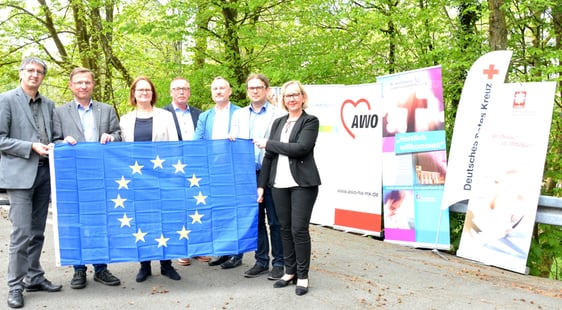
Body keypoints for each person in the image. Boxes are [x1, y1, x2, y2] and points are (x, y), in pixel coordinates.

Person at [0, 57, 63, 308]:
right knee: (21, 233)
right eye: (30, 70)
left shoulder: (49, 104)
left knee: (37, 231)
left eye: (39, 72)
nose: (35, 75)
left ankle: (34, 276)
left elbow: (55, 136)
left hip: (45, 174)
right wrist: (30, 147)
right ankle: (15, 286)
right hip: (19, 176)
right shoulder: (6, 100)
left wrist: (58, 143)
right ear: (21, 73)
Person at [52, 67, 122, 289]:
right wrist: (64, 141)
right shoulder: (59, 112)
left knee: (100, 221)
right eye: (79, 83)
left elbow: (120, 136)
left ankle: (101, 268)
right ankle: (78, 269)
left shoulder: (107, 109)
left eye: (87, 82)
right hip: (72, 177)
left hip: (101, 175)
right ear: (71, 86)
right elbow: (53, 140)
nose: (83, 86)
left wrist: (111, 136)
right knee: (76, 222)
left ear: (93, 85)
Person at [255, 80, 321, 296]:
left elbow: (301, 148)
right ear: (283, 100)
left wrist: (268, 143)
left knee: (298, 230)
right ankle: (289, 271)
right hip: (278, 185)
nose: (291, 99)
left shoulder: (310, 121)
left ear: (302, 97)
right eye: (287, 96)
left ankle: (303, 276)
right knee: (284, 228)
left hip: (302, 184)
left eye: (295, 95)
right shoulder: (278, 123)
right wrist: (262, 185)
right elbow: (269, 157)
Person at [119, 76, 181, 282]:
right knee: (142, 220)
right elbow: (121, 150)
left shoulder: (165, 116)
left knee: (164, 220)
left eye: (148, 90)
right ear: (133, 94)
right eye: (140, 90)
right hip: (137, 179)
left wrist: (173, 174)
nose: (144, 93)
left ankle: (166, 264)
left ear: (153, 93)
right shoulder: (126, 119)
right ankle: (144, 265)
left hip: (162, 177)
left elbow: (174, 145)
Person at [229, 73, 285, 280]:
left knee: (276, 220)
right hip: (247, 174)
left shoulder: (279, 114)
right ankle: (261, 260)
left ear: (267, 90)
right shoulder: (239, 115)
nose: (255, 91)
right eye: (251, 88)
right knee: (256, 220)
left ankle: (279, 262)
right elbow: (233, 141)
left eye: (259, 87)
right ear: (247, 91)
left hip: (271, 172)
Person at [193, 76, 243, 269]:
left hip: (234, 171)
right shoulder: (205, 117)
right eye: (215, 89)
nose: (218, 91)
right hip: (212, 172)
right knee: (219, 212)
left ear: (230, 91)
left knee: (234, 212)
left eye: (222, 88)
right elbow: (197, 142)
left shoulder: (240, 113)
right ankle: (223, 251)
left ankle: (236, 254)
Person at [162, 77, 209, 266]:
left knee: (198, 207)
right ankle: (181, 249)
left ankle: (199, 248)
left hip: (197, 168)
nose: (181, 92)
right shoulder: (162, 114)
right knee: (177, 209)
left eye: (185, 89)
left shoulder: (201, 115)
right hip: (172, 168)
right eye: (177, 89)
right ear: (171, 92)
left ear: (189, 92)